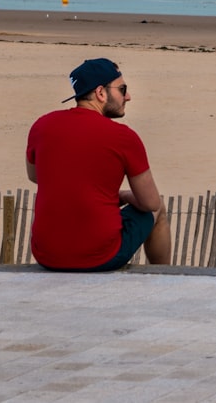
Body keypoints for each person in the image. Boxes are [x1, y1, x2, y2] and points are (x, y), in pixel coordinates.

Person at [25, 58, 171, 271]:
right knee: (159, 210)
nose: (128, 96)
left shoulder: (41, 125)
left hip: (46, 255)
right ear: (101, 93)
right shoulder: (124, 137)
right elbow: (150, 203)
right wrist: (124, 196)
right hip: (101, 256)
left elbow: (35, 176)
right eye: (123, 89)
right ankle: (165, 275)